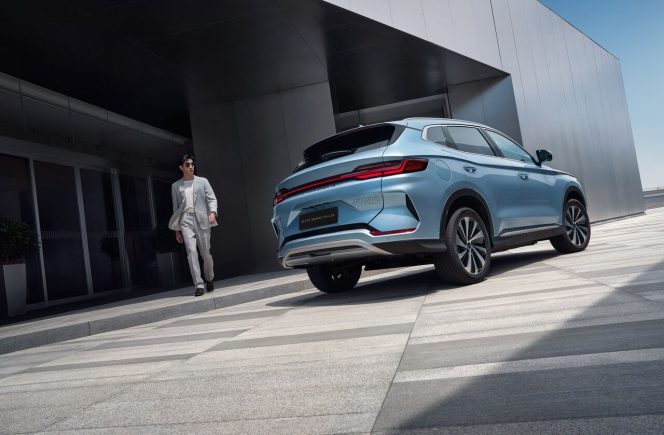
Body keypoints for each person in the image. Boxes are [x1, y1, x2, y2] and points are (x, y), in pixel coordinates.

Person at [170, 154, 218, 297]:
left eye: (192, 164)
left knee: (206, 254)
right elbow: (175, 208)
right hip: (185, 220)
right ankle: (199, 285)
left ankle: (209, 278)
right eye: (187, 165)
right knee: (191, 252)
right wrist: (177, 230)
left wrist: (213, 212)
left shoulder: (203, 181)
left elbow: (212, 198)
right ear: (181, 167)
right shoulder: (175, 186)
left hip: (202, 219)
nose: (191, 167)